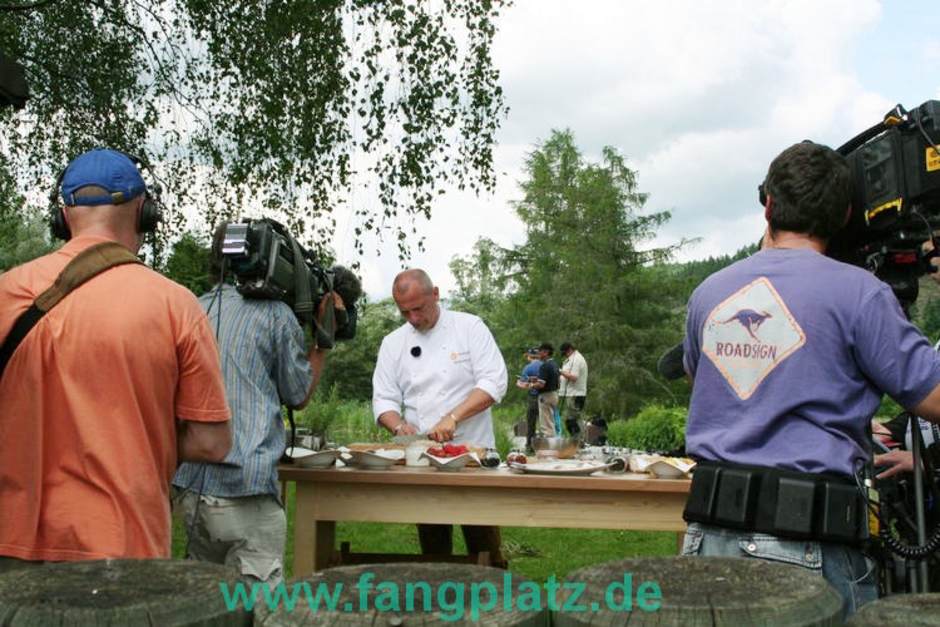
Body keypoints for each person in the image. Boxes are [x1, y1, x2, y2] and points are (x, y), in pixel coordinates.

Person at [680, 141, 940, 619]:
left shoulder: (709, 293)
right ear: (844, 215)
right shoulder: (861, 293)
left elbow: (706, 379)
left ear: (769, 205)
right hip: (809, 546)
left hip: (708, 540)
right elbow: (934, 398)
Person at [0, 148, 231, 571]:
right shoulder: (175, 305)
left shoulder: (6, 292)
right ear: (144, 212)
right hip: (123, 544)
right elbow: (211, 442)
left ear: (63, 215)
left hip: (10, 542)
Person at [173, 223, 344, 592]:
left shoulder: (189, 309)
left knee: (207, 606)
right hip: (247, 491)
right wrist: (322, 342)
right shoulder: (274, 315)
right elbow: (298, 394)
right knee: (257, 607)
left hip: (190, 491)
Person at [372, 269, 508, 566]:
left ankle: (499, 599)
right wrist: (398, 425)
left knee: (484, 543)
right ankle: (438, 599)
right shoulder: (393, 343)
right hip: (423, 459)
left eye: (418, 309)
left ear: (435, 294)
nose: (413, 319)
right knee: (433, 548)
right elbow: (383, 398)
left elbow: (493, 382)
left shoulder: (470, 327)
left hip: (473, 456)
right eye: (404, 311)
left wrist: (453, 417)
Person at [515, 347, 543, 451]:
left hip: (533, 397)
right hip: (546, 396)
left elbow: (523, 384)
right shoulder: (544, 365)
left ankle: (530, 446)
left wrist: (518, 383)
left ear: (529, 356)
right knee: (545, 423)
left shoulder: (528, 368)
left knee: (531, 422)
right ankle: (547, 445)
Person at [559, 341, 588, 437]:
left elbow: (574, 377)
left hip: (575, 394)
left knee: (571, 420)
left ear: (570, 350)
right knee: (575, 419)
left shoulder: (576, 359)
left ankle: (578, 440)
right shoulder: (572, 359)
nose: (565, 355)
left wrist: (560, 371)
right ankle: (579, 440)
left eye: (566, 353)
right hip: (572, 393)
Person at [530, 342, 560, 437]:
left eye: (540, 351)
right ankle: (553, 441)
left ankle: (549, 446)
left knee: (546, 423)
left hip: (545, 396)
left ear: (546, 352)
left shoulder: (545, 366)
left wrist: (531, 385)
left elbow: (541, 384)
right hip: (554, 394)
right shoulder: (554, 364)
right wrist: (536, 379)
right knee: (551, 420)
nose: (538, 354)